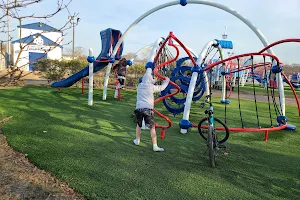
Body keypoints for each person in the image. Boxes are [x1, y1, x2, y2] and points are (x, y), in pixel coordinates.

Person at [133, 68, 170, 152]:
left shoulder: (140, 86)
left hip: (138, 108)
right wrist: (166, 81)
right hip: (148, 109)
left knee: (138, 125)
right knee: (152, 127)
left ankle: (137, 140)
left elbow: (148, 81)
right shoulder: (151, 87)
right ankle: (155, 146)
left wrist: (153, 79)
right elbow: (161, 88)